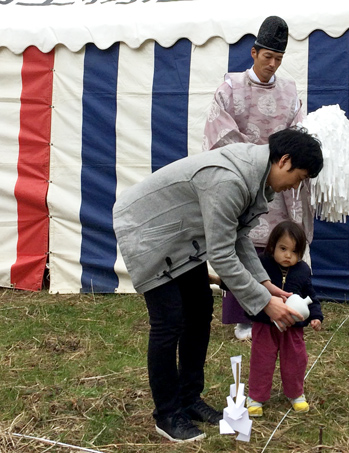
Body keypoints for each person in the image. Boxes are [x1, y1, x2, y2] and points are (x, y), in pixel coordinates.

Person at [113, 127, 323, 442]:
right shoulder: (230, 180)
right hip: (149, 232)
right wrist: (265, 304)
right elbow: (223, 255)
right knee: (168, 322)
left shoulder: (256, 174)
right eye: (300, 176)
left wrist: (265, 284)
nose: (297, 185)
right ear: (285, 160)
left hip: (184, 238)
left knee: (199, 310)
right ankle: (167, 414)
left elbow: (238, 236)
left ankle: (189, 399)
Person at [204, 15, 314, 341]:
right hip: (243, 176)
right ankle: (241, 316)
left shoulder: (290, 91)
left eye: (279, 59)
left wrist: (285, 165)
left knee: (275, 242)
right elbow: (219, 134)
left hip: (280, 182)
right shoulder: (230, 89)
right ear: (254, 53)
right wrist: (255, 163)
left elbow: (298, 131)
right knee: (240, 240)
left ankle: (280, 304)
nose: (273, 64)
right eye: (268, 57)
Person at [244, 220, 323, 417]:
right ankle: (256, 396)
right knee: (262, 359)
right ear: (272, 246)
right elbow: (249, 288)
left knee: (296, 360)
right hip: (265, 323)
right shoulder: (262, 265)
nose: (288, 255)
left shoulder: (303, 270)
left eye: (295, 252)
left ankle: (296, 393)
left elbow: (310, 296)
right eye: (283, 248)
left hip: (293, 327)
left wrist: (315, 316)